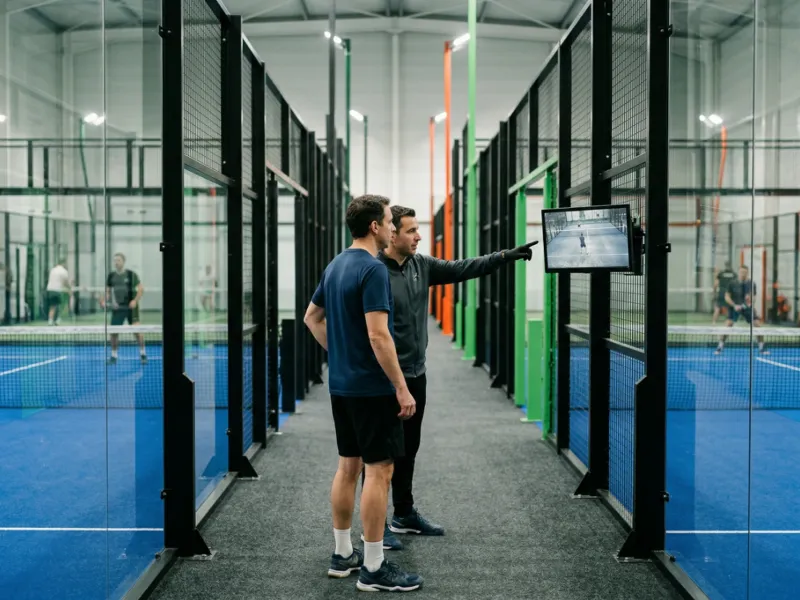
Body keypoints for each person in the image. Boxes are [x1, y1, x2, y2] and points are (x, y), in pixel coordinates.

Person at [370, 205, 538, 551]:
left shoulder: (422, 265)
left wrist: (504, 256)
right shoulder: (372, 271)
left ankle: (403, 513)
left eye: (418, 230)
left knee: (408, 449)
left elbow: (464, 267)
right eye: (411, 230)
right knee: (380, 457)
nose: (418, 236)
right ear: (391, 234)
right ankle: (377, 526)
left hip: (417, 374)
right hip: (384, 379)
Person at [303, 195, 424, 593]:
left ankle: (343, 555)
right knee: (379, 471)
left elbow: (311, 317)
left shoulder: (336, 264)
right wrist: (401, 388)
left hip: (342, 386)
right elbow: (378, 334)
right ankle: (373, 565)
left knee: (347, 467)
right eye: (390, 222)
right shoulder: (373, 270)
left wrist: (340, 356)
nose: (393, 227)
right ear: (374, 226)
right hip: (373, 390)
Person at [101, 253, 147, 364]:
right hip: (118, 308)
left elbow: (141, 289)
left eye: (119, 260)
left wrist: (135, 301)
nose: (116, 262)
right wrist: (105, 301)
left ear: (123, 261)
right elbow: (107, 292)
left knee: (137, 332)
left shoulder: (131, 274)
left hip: (131, 307)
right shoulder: (111, 276)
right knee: (113, 333)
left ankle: (143, 354)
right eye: (115, 260)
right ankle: (114, 356)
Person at [715, 264, 769, 355]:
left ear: (747, 273)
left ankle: (761, 347)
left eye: (745, 272)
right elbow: (727, 297)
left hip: (747, 308)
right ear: (739, 272)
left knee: (757, 325)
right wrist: (734, 305)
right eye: (741, 272)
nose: (743, 274)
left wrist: (749, 302)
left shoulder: (751, 283)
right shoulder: (732, 283)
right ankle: (720, 346)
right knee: (728, 325)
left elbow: (754, 297)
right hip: (734, 307)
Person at [46, 259, 72, 325]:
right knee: (60, 305)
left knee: (52, 306)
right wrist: (69, 289)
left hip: (50, 289)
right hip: (57, 290)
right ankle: (57, 319)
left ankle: (51, 320)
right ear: (63, 263)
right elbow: (66, 282)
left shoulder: (53, 270)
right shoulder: (64, 271)